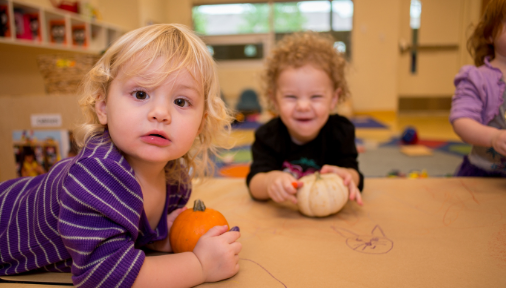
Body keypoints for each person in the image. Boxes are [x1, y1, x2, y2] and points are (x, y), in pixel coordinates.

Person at [0, 24, 241, 288]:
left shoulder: (176, 180)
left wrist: (162, 234)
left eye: (181, 102)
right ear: (103, 107)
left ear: (201, 124)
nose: (160, 113)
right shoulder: (97, 174)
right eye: (140, 94)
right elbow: (102, 275)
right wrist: (200, 266)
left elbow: (126, 237)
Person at [246, 31, 364, 205]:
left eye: (315, 97)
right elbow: (254, 184)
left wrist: (349, 177)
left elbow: (354, 174)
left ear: (333, 99)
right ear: (274, 101)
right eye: (291, 97)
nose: (303, 106)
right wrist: (269, 181)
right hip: (283, 222)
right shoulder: (268, 136)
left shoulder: (340, 132)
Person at [450, 0, 506, 177]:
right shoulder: (477, 78)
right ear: (490, 35)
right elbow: (461, 120)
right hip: (484, 173)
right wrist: (493, 137)